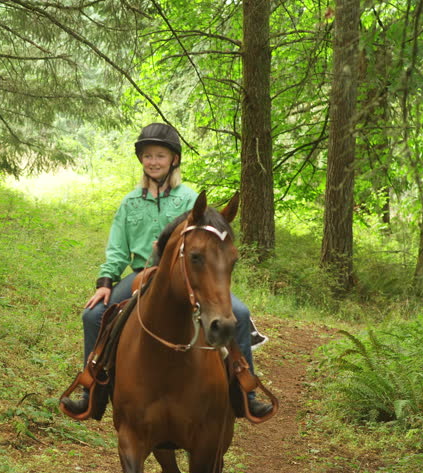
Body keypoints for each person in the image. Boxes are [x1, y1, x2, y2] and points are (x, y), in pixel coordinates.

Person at [61, 123, 274, 418]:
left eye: (160, 155)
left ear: (173, 159)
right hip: (141, 274)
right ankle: (93, 391)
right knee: (93, 315)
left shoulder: (190, 200)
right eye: (148, 156)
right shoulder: (130, 203)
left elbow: (206, 243)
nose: (153, 162)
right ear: (142, 161)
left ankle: (245, 392)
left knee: (239, 313)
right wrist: (105, 281)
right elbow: (118, 249)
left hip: (185, 276)